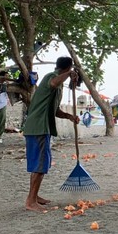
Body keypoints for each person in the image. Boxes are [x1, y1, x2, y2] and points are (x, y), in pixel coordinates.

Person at [23, 56, 79, 212]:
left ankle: (34, 196)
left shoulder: (58, 86)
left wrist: (70, 117)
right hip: (38, 128)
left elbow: (55, 111)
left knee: (40, 163)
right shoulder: (51, 77)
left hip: (41, 127)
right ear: (68, 68)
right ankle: (30, 201)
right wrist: (69, 74)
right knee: (40, 165)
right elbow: (54, 82)